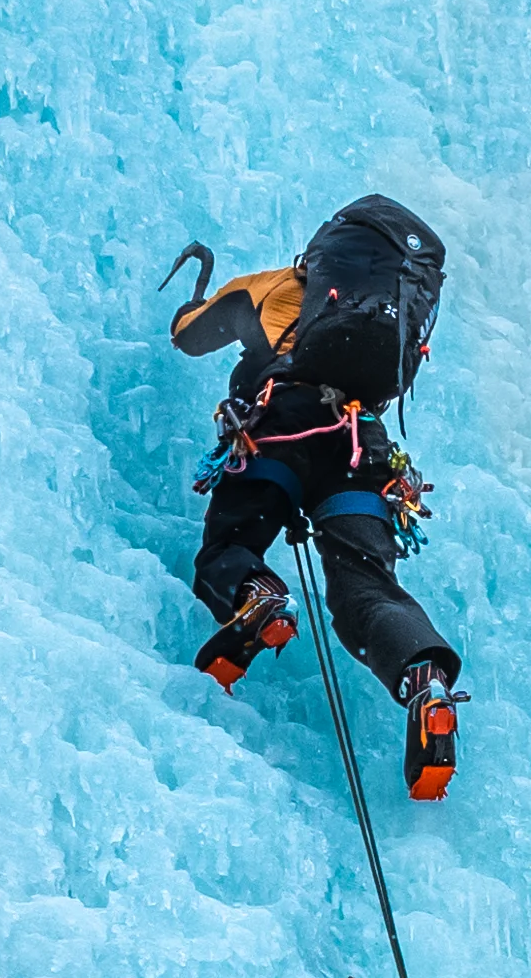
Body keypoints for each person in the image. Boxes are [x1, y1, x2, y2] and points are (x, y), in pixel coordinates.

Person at [167, 195, 462, 798]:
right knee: (366, 589)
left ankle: (260, 600)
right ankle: (425, 683)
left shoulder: (271, 286)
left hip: (282, 432)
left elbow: (190, 338)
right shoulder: (389, 315)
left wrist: (190, 305)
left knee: (229, 547)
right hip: (361, 450)